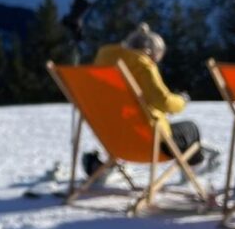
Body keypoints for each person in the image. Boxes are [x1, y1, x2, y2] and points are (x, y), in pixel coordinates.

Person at [87, 23, 215, 174]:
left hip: (112, 141)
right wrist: (181, 101)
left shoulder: (103, 64)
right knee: (191, 129)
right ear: (151, 53)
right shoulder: (143, 67)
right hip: (148, 144)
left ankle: (106, 169)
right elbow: (163, 101)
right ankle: (195, 170)